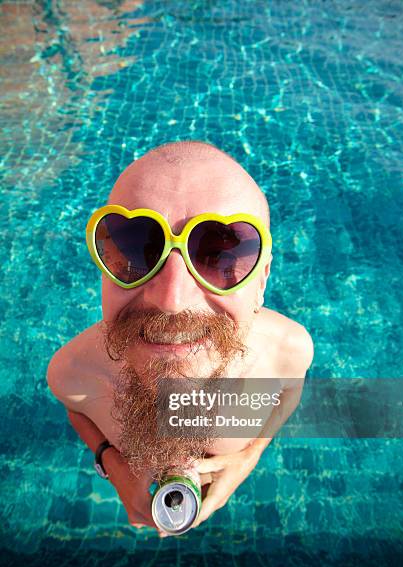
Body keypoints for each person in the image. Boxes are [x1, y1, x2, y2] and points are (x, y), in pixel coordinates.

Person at [47, 140, 313, 537]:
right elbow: (76, 410)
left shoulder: (287, 352)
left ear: (262, 281)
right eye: (138, 246)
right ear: (104, 268)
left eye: (219, 254)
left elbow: (291, 390)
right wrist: (112, 464)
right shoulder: (72, 372)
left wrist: (249, 456)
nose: (170, 301)